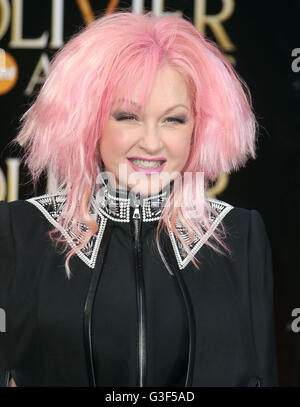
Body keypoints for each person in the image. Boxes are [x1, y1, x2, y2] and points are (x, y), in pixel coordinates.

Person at [0, 9, 278, 387]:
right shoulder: (20, 232)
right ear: (88, 122)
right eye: (127, 117)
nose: (151, 142)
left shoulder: (240, 236)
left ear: (200, 126)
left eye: (173, 119)